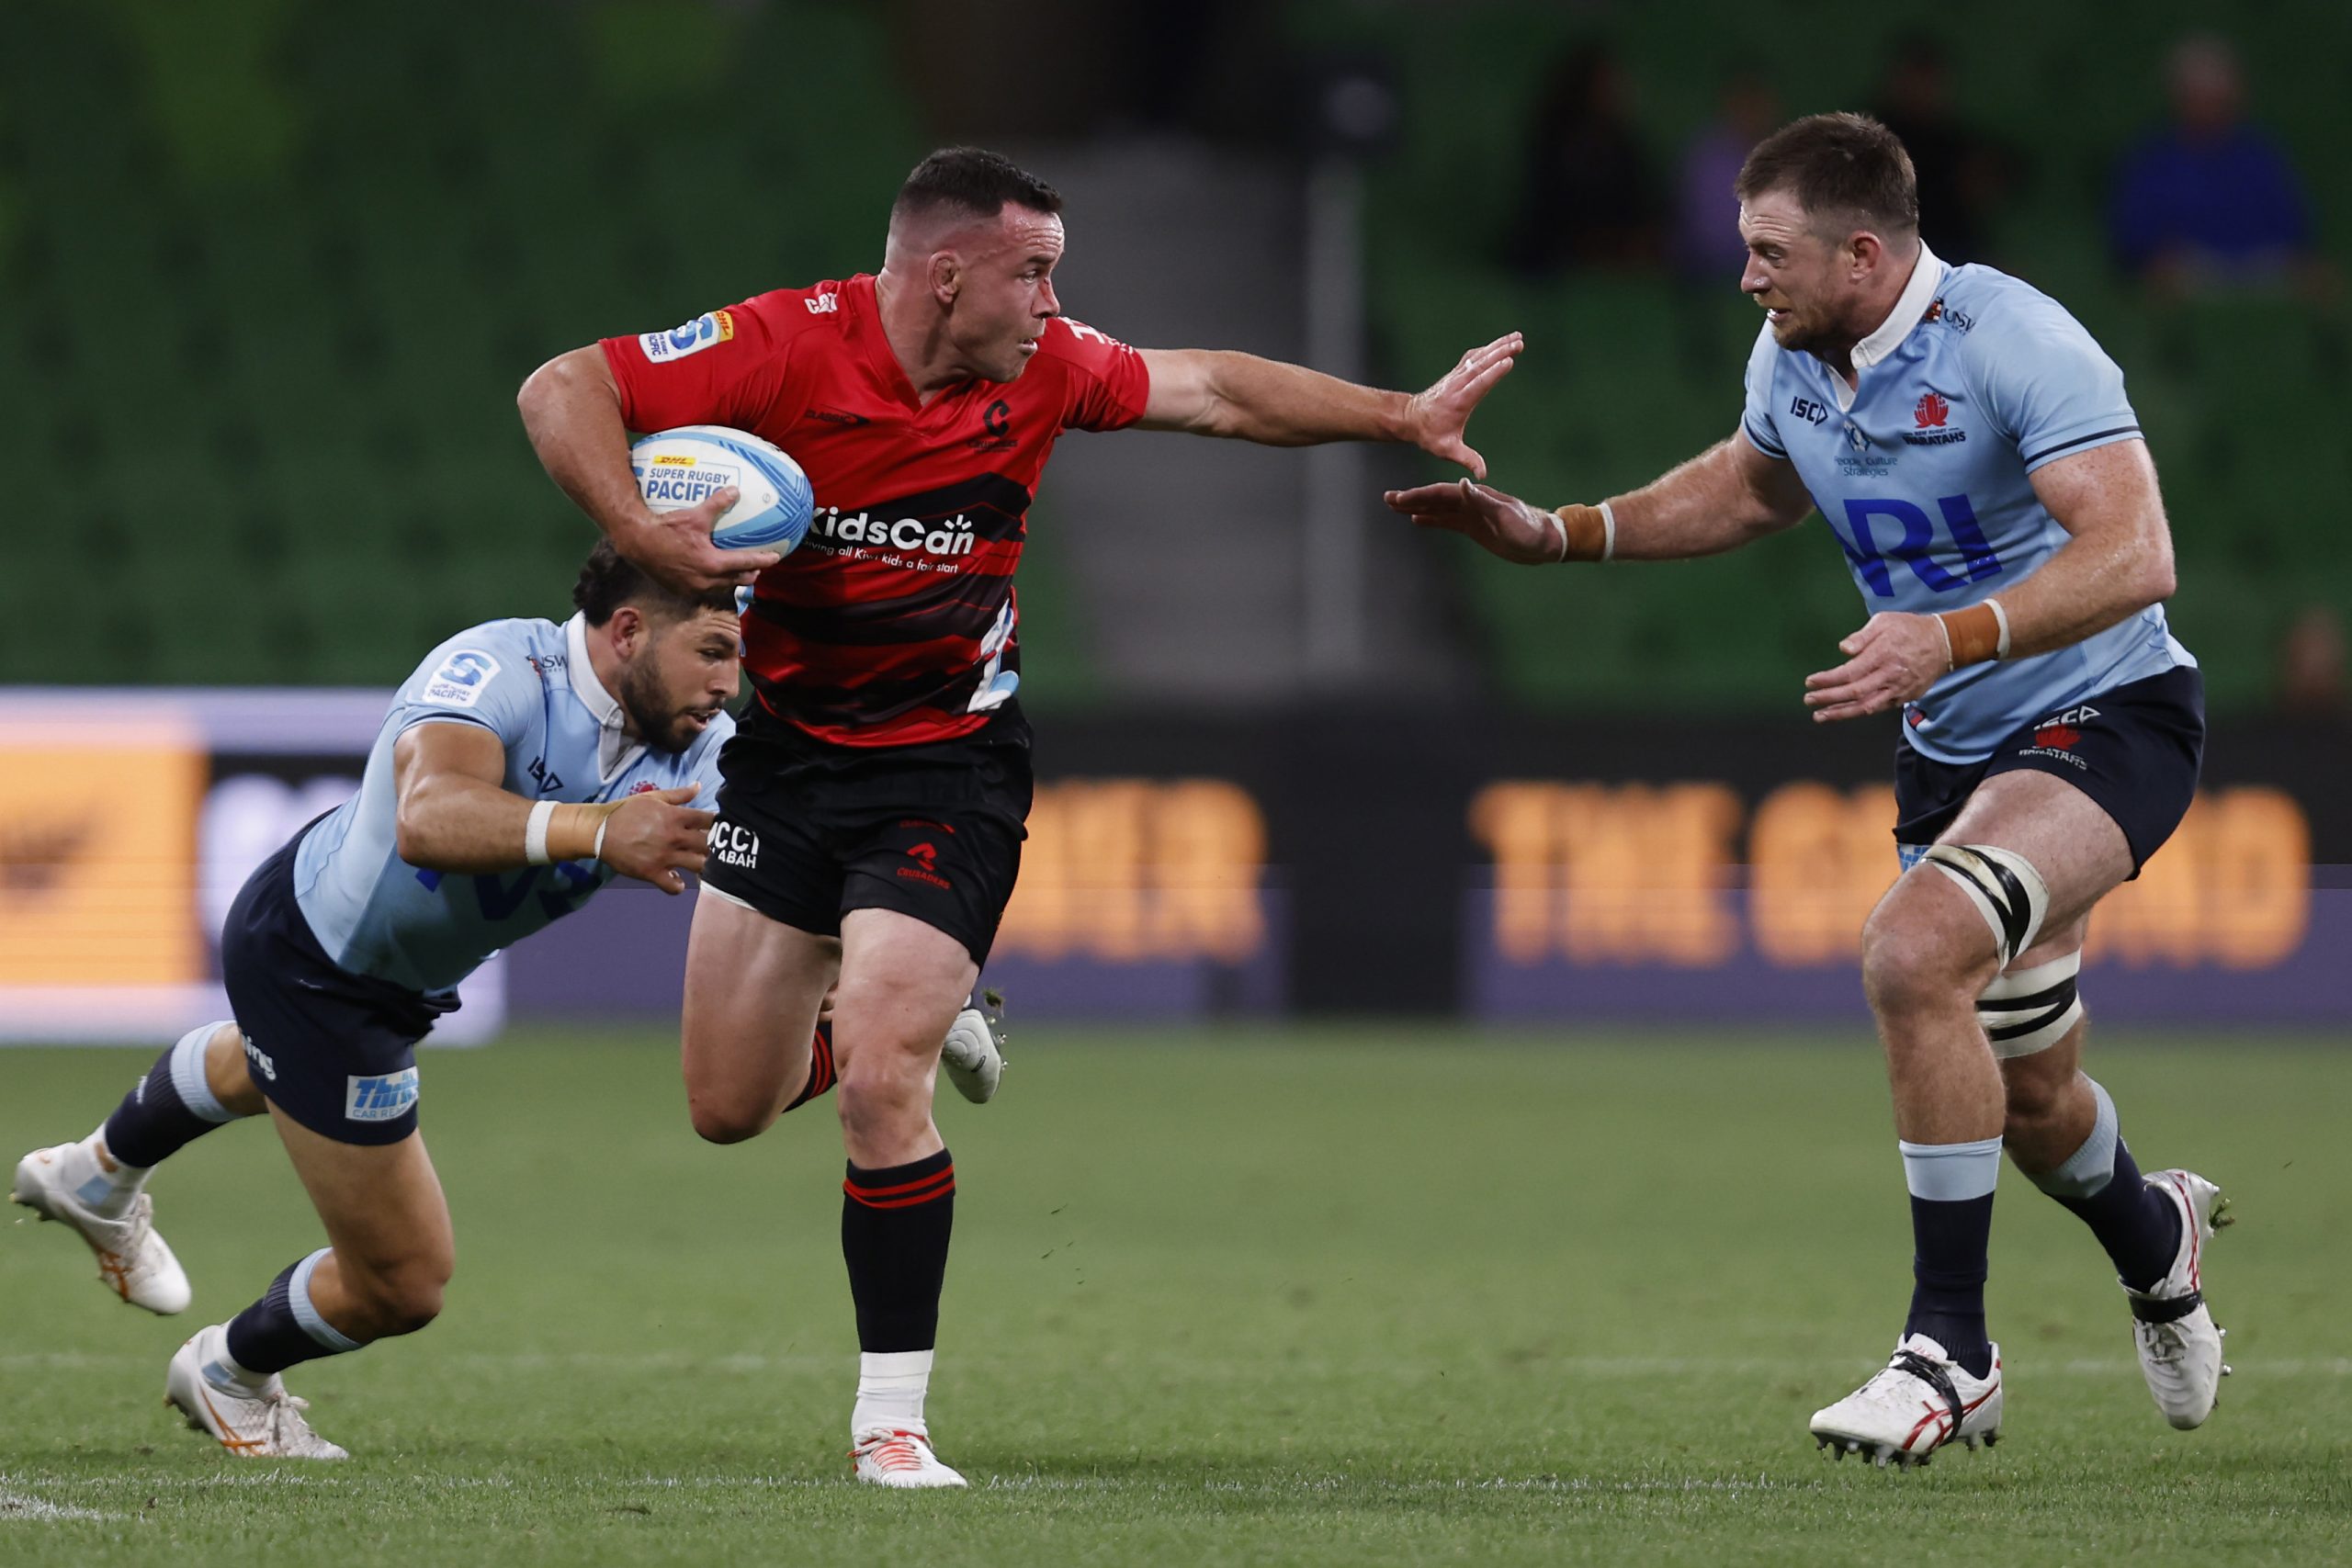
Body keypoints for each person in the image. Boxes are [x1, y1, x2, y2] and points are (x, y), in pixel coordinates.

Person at [516, 146, 1519, 1488]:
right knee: (724, 1104)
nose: (1056, 301)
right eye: (1035, 272)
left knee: (881, 1075)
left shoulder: (1046, 369)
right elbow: (561, 385)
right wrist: (641, 519)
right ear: (947, 273)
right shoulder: (781, 347)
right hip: (785, 765)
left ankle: (892, 1418)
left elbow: (1213, 387)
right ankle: (918, 1002)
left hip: (952, 767)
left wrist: (1399, 412)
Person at [1388, 113, 2228, 1467]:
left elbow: (2136, 551)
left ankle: (1947, 1346)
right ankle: (2156, 1232)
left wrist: (1947, 635)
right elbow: (1752, 487)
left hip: (2105, 714)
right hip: (1955, 749)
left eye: (1768, 252)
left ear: (1862, 251)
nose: (1745, 278)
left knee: (1912, 950)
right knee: (2034, 1103)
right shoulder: (1794, 352)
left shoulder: (2016, 338)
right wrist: (1564, 535)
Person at [10, 546, 1001, 1459]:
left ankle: (96, 1176)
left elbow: (794, 886)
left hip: (385, 983)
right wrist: (599, 832)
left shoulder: (702, 746)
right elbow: (431, 817)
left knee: (263, 1065)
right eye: (709, 650)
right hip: (316, 964)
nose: (725, 683)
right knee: (404, 1283)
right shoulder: (498, 669)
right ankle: (228, 1370)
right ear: (626, 632)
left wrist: (918, 994)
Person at [2109, 35, 2313, 290]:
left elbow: (2293, 229)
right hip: (2190, 272)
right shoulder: (2153, 161)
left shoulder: (2260, 156)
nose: (2208, 107)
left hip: (2259, 268)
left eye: (2216, 97)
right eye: (2198, 96)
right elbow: (2134, 238)